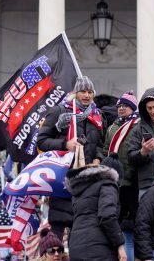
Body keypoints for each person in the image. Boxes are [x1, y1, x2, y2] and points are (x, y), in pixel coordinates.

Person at [37, 76, 106, 238]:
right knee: (56, 239)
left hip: (87, 181)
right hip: (62, 179)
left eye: (90, 92)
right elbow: (42, 141)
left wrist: (98, 159)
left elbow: (101, 145)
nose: (87, 95)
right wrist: (65, 144)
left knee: (81, 235)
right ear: (76, 93)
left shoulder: (97, 116)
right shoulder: (59, 111)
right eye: (83, 91)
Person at [103, 91, 140, 261]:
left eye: (125, 106)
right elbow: (105, 150)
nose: (121, 109)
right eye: (119, 106)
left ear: (132, 108)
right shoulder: (112, 127)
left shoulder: (138, 126)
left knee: (128, 229)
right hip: (114, 182)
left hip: (131, 182)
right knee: (115, 224)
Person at [65, 159, 126, 261]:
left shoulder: (79, 190)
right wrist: (120, 245)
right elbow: (107, 216)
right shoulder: (108, 184)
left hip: (76, 247)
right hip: (99, 248)